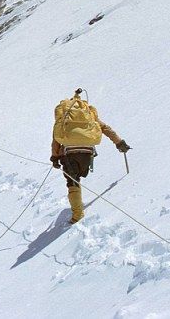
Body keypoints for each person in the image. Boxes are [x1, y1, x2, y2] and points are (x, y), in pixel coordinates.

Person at [50, 88, 131, 224]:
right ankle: (78, 209)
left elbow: (56, 139)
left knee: (73, 181)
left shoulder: (64, 116)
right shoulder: (88, 113)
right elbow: (105, 128)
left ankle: (77, 215)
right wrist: (119, 143)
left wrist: (55, 157)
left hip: (69, 152)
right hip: (87, 151)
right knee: (78, 177)